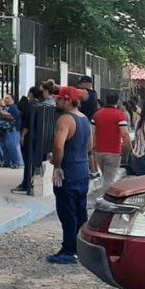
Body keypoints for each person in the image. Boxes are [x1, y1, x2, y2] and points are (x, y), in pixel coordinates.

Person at [48, 86, 93, 265]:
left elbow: (58, 146)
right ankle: (82, 247)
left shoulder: (65, 119)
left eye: (59, 99)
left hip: (68, 171)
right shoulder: (85, 119)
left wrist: (57, 165)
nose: (56, 101)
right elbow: (90, 146)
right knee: (80, 212)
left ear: (67, 100)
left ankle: (69, 250)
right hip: (82, 171)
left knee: (67, 212)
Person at [12, 85, 56, 196]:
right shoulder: (44, 106)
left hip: (29, 137)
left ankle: (25, 185)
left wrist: (22, 136)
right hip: (40, 138)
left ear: (31, 94)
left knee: (28, 162)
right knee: (33, 163)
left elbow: (27, 123)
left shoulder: (30, 105)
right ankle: (29, 183)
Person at [90, 92, 131, 198]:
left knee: (105, 177)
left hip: (99, 151)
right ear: (117, 102)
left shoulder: (97, 114)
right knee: (109, 179)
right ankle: (105, 200)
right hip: (113, 152)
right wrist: (130, 149)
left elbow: (92, 134)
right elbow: (125, 134)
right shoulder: (119, 115)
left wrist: (92, 149)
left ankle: (105, 197)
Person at [0, 95, 23, 169]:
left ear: (13, 100)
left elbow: (13, 116)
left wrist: (1, 112)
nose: (5, 99)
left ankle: (16, 163)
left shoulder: (13, 107)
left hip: (12, 130)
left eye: (8, 98)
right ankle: (7, 162)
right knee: (5, 147)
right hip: (5, 131)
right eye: (5, 98)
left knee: (12, 147)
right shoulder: (5, 108)